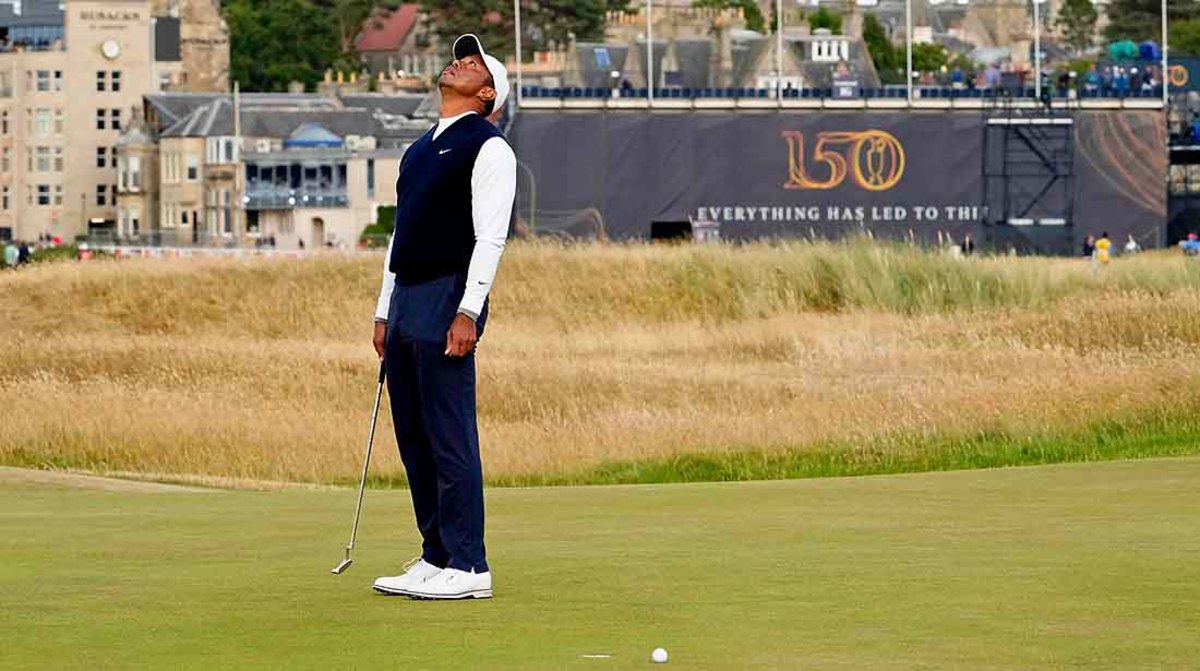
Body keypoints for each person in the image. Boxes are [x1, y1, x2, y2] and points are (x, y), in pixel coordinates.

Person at [370, 33, 515, 601]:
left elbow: (491, 237)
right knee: (414, 434)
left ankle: (470, 564)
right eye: (460, 56)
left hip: (448, 295)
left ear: (487, 93)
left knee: (449, 432)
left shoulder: (490, 147)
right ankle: (436, 555)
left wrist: (468, 311)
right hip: (407, 297)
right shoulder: (417, 151)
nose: (460, 62)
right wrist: (384, 310)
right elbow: (399, 236)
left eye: (474, 63)